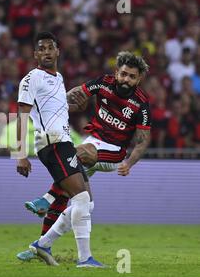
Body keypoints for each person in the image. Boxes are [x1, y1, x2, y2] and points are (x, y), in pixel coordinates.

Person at [17, 51, 152, 262]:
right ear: (116, 73)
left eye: (132, 77)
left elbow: (143, 140)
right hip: (93, 142)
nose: (126, 79)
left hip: (114, 153)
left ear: (138, 79)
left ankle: (45, 199)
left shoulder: (141, 103)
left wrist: (130, 162)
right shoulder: (103, 83)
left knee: (76, 154)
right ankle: (43, 246)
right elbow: (74, 94)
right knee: (81, 201)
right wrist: (55, 102)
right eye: (124, 74)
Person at [14, 31, 104, 267]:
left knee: (87, 201)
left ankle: (42, 242)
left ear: (57, 51)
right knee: (81, 196)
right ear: (35, 54)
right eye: (41, 49)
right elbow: (22, 116)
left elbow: (53, 109)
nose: (46, 52)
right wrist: (20, 155)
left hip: (64, 142)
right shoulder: (31, 78)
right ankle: (85, 259)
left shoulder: (59, 77)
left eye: (50, 48)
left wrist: (72, 105)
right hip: (51, 143)